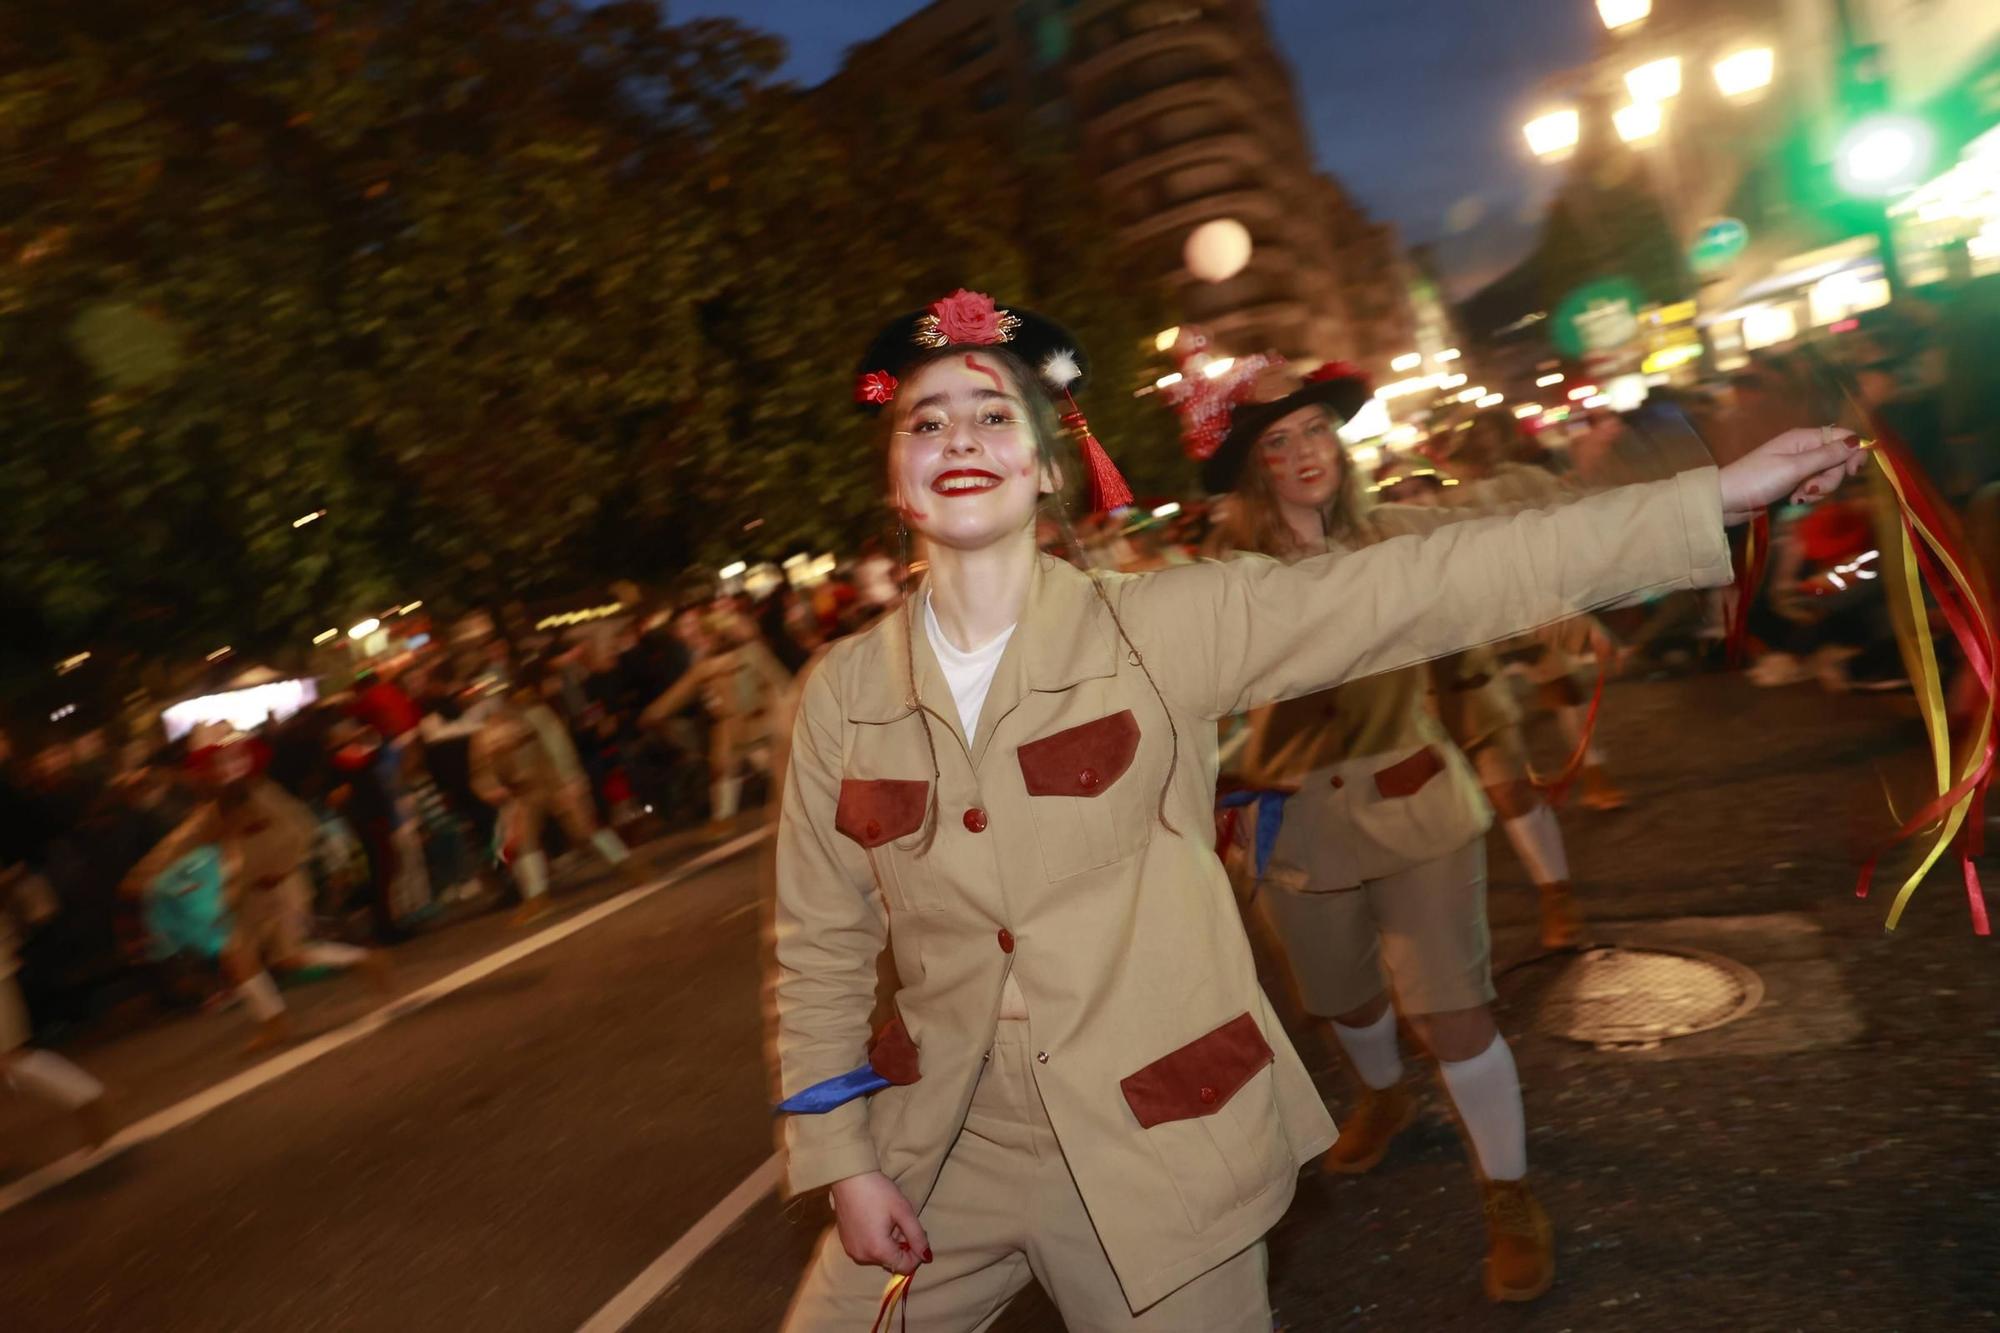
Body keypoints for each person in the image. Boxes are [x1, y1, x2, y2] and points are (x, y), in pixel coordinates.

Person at [769, 288, 1859, 1330]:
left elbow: (1427, 584)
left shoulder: (1159, 625)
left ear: (1048, 466)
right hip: (942, 1144)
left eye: (992, 413)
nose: (959, 437)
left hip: (1156, 1138)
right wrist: (843, 1159)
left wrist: (1706, 499)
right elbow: (819, 942)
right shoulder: (842, 693)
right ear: (895, 474)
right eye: (927, 420)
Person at [1198, 360, 1586, 1303]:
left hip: (1415, 800)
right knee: (1343, 1001)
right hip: (1294, 826)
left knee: (1451, 1010)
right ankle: (1382, 1093)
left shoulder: (1402, 536)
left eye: (1315, 432)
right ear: (1254, 468)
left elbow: (1527, 534)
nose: (1302, 454)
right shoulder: (1223, 582)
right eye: (1277, 442)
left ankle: (1508, 1193)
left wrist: (1711, 499)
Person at [121, 739, 390, 1052]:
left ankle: (362, 962)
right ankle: (277, 1020)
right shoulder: (215, 810)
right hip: (251, 891)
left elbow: (300, 829)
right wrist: (140, 877)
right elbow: (179, 844)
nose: (202, 776)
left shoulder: (262, 796)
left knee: (281, 955)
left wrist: (282, 867)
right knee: (246, 955)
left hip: (282, 885)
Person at [469, 665, 639, 926]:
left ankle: (627, 864)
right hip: (522, 794)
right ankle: (536, 897)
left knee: (584, 830)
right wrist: (490, 789)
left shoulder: (532, 714)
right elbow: (481, 770)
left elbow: (557, 745)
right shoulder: (483, 734)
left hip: (552, 783)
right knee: (525, 841)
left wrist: (571, 779)